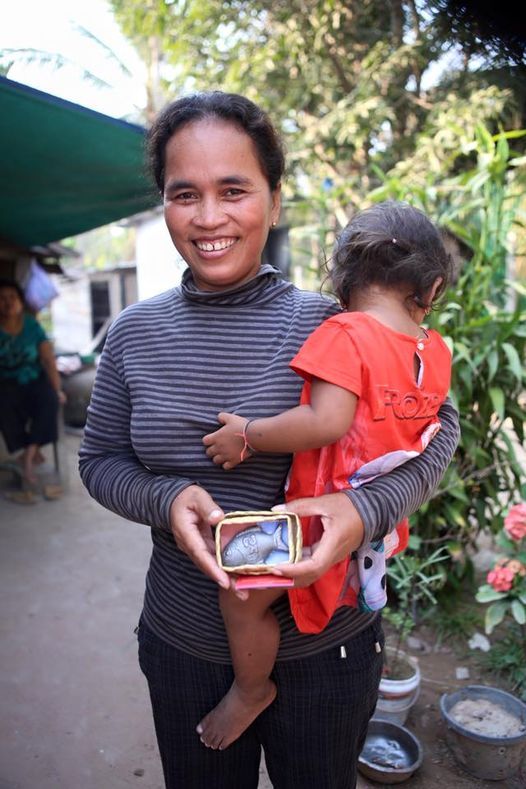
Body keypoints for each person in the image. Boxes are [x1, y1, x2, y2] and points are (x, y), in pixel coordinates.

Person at [79, 92, 460, 789]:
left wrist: (362, 511)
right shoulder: (133, 334)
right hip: (184, 639)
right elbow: (99, 460)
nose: (209, 216)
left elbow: (438, 427)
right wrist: (165, 498)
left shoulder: (339, 324)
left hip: (326, 649)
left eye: (234, 190)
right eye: (183, 193)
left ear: (275, 201)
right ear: (164, 205)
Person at [200, 200, 453, 749]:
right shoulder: (436, 352)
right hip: (377, 526)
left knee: (241, 597)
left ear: (342, 278)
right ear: (431, 290)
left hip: (314, 521)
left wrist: (246, 433)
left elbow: (322, 422)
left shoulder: (346, 332)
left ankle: (250, 689)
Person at [0, 278, 65, 483]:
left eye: (12, 297)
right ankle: (31, 451)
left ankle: (28, 455)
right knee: (3, 403)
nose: (8, 302)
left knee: (50, 399)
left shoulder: (32, 325)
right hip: (6, 384)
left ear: (20, 301)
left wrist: (58, 389)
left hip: (35, 379)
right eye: (1, 298)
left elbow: (48, 360)